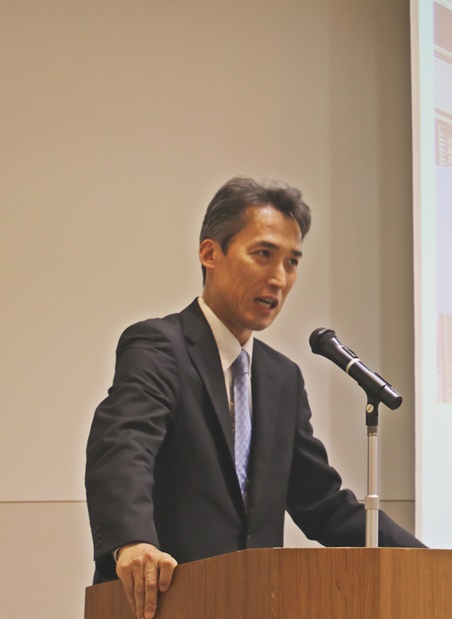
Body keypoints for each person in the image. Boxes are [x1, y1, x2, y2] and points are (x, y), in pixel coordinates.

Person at [85, 177, 424, 619]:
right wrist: (133, 542)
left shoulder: (281, 378)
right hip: (162, 604)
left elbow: (324, 505)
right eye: (263, 254)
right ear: (210, 254)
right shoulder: (158, 347)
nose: (279, 278)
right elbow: (124, 445)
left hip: (253, 604)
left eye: (292, 262)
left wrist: (427, 562)